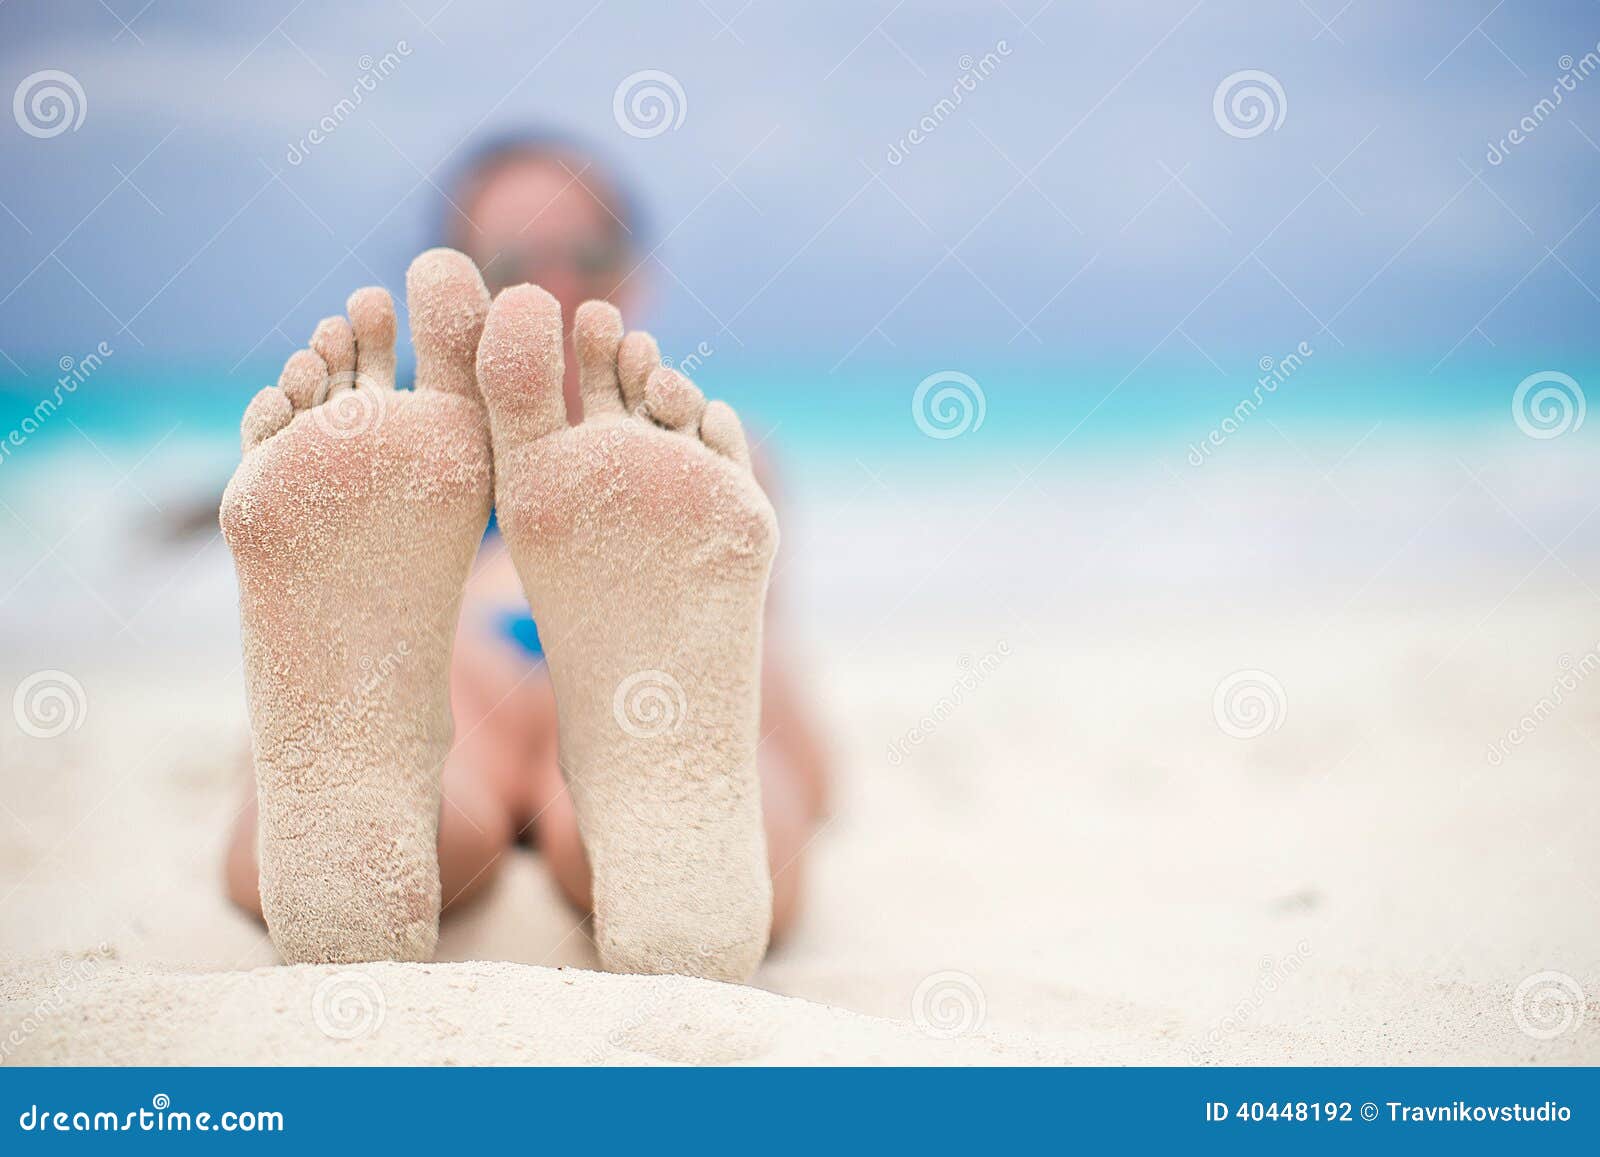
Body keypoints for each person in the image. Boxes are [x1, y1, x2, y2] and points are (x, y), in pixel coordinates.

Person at [222, 133, 830, 966]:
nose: (553, 289)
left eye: (589, 254)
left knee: (732, 716)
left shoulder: (710, 473)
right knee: (446, 721)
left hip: (657, 677)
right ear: (462, 290)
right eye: (510, 267)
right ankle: (356, 852)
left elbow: (776, 647)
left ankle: (675, 864)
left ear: (636, 274)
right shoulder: (398, 466)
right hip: (469, 665)